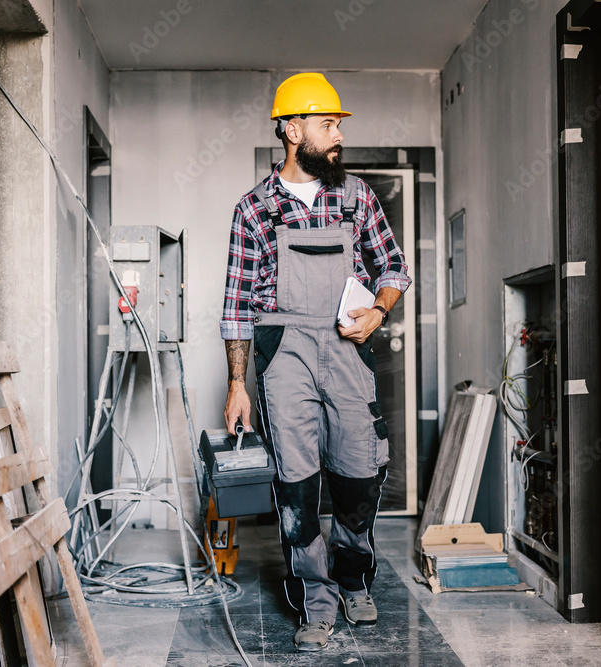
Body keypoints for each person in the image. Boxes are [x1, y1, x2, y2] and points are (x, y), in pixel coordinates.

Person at [219, 72, 411, 652]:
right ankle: (318, 601)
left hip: (348, 351)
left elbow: (395, 268)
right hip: (285, 355)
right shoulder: (254, 210)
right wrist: (237, 385)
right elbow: (237, 306)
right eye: (328, 124)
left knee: (359, 475)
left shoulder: (356, 196)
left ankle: (354, 580)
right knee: (297, 488)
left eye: (337, 127)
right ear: (291, 127)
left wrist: (379, 310)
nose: (337, 137)